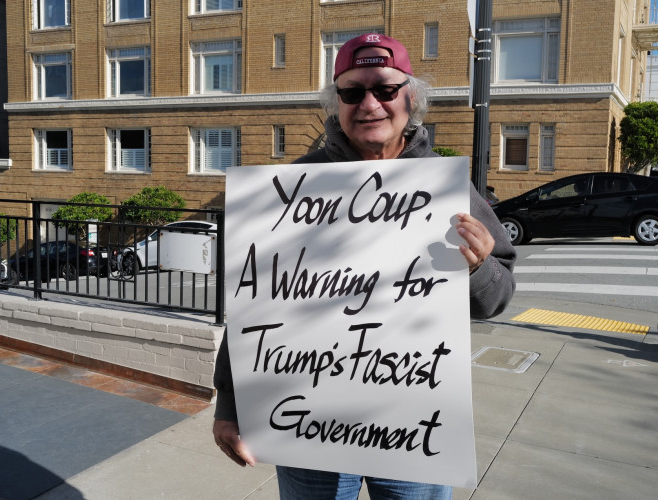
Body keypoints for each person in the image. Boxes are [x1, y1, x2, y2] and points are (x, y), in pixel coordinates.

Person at [213, 33, 516, 500]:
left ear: (410, 98)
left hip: (413, 427)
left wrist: (478, 271)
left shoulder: (445, 188)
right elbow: (253, 309)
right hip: (307, 425)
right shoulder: (292, 191)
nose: (369, 103)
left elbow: (497, 297)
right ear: (336, 103)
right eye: (352, 92)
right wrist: (230, 405)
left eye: (385, 89)